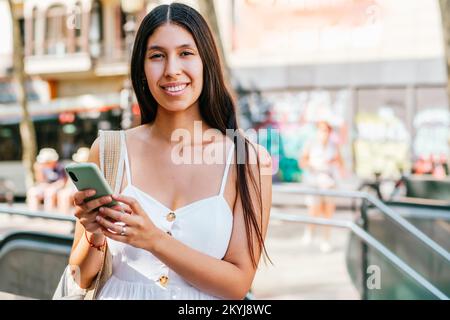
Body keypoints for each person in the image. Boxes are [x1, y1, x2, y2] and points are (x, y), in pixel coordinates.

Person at [68, 3, 272, 300]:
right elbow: (82, 278)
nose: (172, 70)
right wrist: (94, 232)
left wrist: (154, 240)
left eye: (186, 54)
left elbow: (237, 285)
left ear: (207, 63)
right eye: (157, 56)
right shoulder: (110, 150)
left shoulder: (246, 159)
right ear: (142, 67)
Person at [299, 121, 345, 253]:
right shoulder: (310, 143)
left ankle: (326, 239)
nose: (323, 133)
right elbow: (302, 161)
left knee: (328, 212)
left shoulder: (333, 146)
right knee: (314, 209)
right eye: (321, 130)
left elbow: (340, 163)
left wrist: (333, 163)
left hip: (329, 182)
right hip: (314, 181)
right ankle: (310, 231)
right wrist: (312, 164)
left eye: (326, 130)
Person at [26, 148, 66, 212]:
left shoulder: (60, 167)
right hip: (45, 187)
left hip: (55, 188)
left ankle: (49, 215)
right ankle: (33, 214)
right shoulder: (41, 166)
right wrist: (38, 169)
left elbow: (62, 182)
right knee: (32, 192)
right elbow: (40, 181)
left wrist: (52, 186)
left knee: (49, 193)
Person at [57, 147, 90, 215]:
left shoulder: (89, 169)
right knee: (62, 194)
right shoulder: (74, 167)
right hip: (73, 188)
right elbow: (69, 181)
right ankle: (63, 216)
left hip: (82, 189)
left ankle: (65, 217)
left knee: (65, 195)